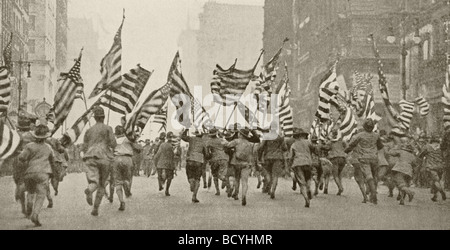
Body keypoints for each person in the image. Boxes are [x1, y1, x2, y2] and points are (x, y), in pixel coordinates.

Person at [82, 106, 117, 216]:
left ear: (95, 118)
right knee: (102, 184)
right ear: (103, 117)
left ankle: (90, 189)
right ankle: (95, 208)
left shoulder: (88, 130)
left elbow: (84, 147)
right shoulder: (108, 128)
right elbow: (113, 144)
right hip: (104, 157)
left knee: (93, 181)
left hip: (90, 157)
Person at [18, 125, 55, 227]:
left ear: (35, 136)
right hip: (43, 173)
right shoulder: (48, 148)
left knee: (30, 191)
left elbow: (22, 158)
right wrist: (54, 174)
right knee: (40, 195)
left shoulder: (29, 146)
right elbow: (53, 161)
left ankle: (29, 203)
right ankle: (35, 214)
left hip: (30, 173)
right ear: (45, 137)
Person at [345, 119, 383, 204]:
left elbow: (351, 145)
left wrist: (347, 150)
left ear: (364, 126)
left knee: (368, 176)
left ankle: (373, 193)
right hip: (374, 158)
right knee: (374, 176)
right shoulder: (376, 135)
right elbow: (380, 146)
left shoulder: (359, 135)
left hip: (364, 158)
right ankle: (374, 192)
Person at [224, 128, 255, 206]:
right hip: (246, 164)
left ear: (241, 134)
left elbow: (227, 145)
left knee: (236, 179)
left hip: (236, 163)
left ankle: (236, 192)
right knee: (244, 182)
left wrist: (224, 141)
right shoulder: (250, 144)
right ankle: (243, 196)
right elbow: (252, 154)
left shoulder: (236, 141)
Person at [258, 121, 288, 200]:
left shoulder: (266, 136)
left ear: (270, 128)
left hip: (267, 157)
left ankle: (268, 183)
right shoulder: (279, 137)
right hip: (278, 157)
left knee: (268, 173)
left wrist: (259, 156)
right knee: (275, 175)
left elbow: (261, 147)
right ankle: (273, 190)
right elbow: (285, 148)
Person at [12, 117, 35, 216]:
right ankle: (30, 200)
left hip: (18, 160)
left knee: (19, 181)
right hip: (30, 159)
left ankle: (23, 206)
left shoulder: (16, 136)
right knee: (31, 182)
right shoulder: (32, 136)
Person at [112, 126, 138, 211]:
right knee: (127, 178)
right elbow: (138, 148)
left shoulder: (113, 140)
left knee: (117, 182)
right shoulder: (128, 139)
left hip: (116, 159)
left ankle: (121, 201)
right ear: (123, 132)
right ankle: (126, 184)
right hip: (127, 159)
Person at [290, 128, 316, 207]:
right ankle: (309, 189)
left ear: (296, 136)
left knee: (302, 183)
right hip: (308, 163)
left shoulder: (294, 145)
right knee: (308, 179)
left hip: (298, 164)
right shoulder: (308, 142)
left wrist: (290, 164)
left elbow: (291, 156)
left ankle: (306, 199)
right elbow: (314, 149)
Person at [181, 129, 207, 203]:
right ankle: (194, 196)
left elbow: (182, 137)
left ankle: (191, 181)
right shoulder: (203, 142)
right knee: (197, 179)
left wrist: (186, 129)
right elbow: (206, 154)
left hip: (190, 159)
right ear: (202, 135)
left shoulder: (191, 139)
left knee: (189, 175)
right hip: (199, 161)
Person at [387, 139, 416, 205]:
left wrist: (395, 148)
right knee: (405, 184)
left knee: (400, 184)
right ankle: (402, 200)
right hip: (409, 171)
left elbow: (390, 152)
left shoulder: (401, 152)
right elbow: (415, 164)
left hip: (399, 168)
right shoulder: (413, 156)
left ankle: (410, 193)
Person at [418, 135, 447, 202]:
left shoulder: (427, 146)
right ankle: (435, 196)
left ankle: (442, 191)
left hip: (431, 166)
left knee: (436, 181)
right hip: (440, 166)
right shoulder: (441, 147)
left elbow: (421, 155)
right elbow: (444, 156)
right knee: (436, 181)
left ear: (431, 141)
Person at [206, 128, 229, 196]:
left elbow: (207, 153)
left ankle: (218, 190)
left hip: (214, 159)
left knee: (215, 175)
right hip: (224, 158)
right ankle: (225, 180)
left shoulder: (208, 142)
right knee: (222, 174)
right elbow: (228, 145)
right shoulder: (221, 140)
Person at [154, 132, 176, 196]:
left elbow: (158, 153)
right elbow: (173, 155)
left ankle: (160, 185)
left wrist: (155, 161)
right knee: (169, 177)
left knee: (159, 175)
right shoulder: (173, 145)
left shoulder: (162, 144)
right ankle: (167, 190)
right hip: (169, 164)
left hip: (161, 163)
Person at [325, 129, 347, 196]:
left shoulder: (330, 142)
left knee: (335, 175)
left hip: (334, 158)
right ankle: (340, 188)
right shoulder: (341, 141)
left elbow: (326, 148)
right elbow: (346, 146)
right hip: (343, 158)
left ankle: (340, 187)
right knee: (339, 174)